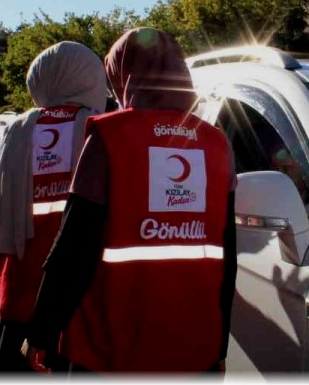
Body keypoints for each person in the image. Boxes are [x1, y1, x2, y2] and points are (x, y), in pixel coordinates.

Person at [25, 27, 238, 374]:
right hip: (195, 345)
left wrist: (41, 331)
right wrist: (220, 343)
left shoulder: (109, 137)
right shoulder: (216, 143)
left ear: (124, 75)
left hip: (111, 346)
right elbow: (228, 257)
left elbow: (73, 249)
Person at [0, 42, 108, 374]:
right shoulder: (100, 128)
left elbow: (1, 207)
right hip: (78, 289)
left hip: (22, 279)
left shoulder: (19, 128)